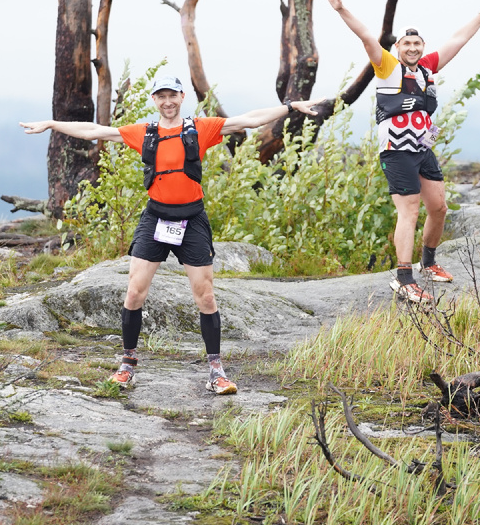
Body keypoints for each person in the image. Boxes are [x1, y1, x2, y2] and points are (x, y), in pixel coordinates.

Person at [20, 78, 322, 395]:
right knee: (134, 293)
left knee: (205, 297)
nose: (167, 101)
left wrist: (290, 107)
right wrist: (53, 123)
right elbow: (96, 131)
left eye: (172, 96)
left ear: (182, 96)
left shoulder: (200, 129)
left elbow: (247, 120)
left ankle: (216, 371)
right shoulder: (145, 133)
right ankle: (127, 364)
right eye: (161, 96)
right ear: (154, 99)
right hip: (155, 217)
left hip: (192, 218)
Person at [324, 0, 480, 303]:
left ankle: (428, 263)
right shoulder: (387, 66)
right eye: (407, 43)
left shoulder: (429, 67)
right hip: (396, 148)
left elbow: (459, 39)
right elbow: (366, 36)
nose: (413, 47)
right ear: (398, 46)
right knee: (410, 210)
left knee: (439, 207)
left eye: (417, 42)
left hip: (422, 148)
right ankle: (404, 278)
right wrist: (340, 8)